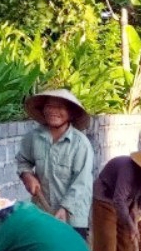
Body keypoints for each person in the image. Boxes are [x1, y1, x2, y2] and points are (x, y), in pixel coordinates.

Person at [16, 89, 94, 240]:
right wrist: (27, 175)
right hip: (42, 212)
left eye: (60, 107)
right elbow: (23, 160)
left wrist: (65, 208)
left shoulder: (80, 144)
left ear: (71, 114)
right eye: (49, 106)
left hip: (72, 217)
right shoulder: (34, 138)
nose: (53, 111)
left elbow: (82, 182)